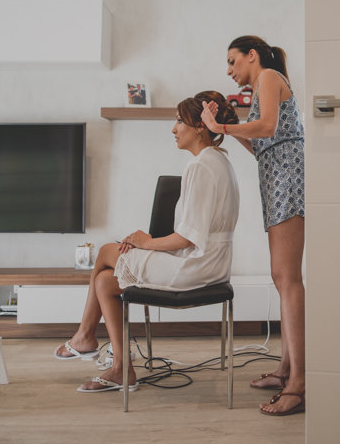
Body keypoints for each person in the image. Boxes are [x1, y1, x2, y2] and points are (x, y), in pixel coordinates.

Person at [54, 91, 241, 393]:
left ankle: (86, 337)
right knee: (104, 282)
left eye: (179, 121)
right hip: (210, 262)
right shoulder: (219, 160)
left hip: (196, 267)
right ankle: (120, 368)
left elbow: (186, 237)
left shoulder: (201, 165)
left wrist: (146, 241)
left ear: (199, 126)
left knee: (104, 251)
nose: (173, 128)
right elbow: (195, 234)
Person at [201, 35, 306, 416]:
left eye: (233, 61)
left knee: (288, 278)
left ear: (252, 55)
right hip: (276, 179)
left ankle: (299, 383)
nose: (230, 71)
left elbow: (264, 127)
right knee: (283, 278)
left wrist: (223, 127)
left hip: (287, 182)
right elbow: (262, 143)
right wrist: (226, 124)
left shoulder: (269, 75)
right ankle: (286, 369)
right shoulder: (265, 83)